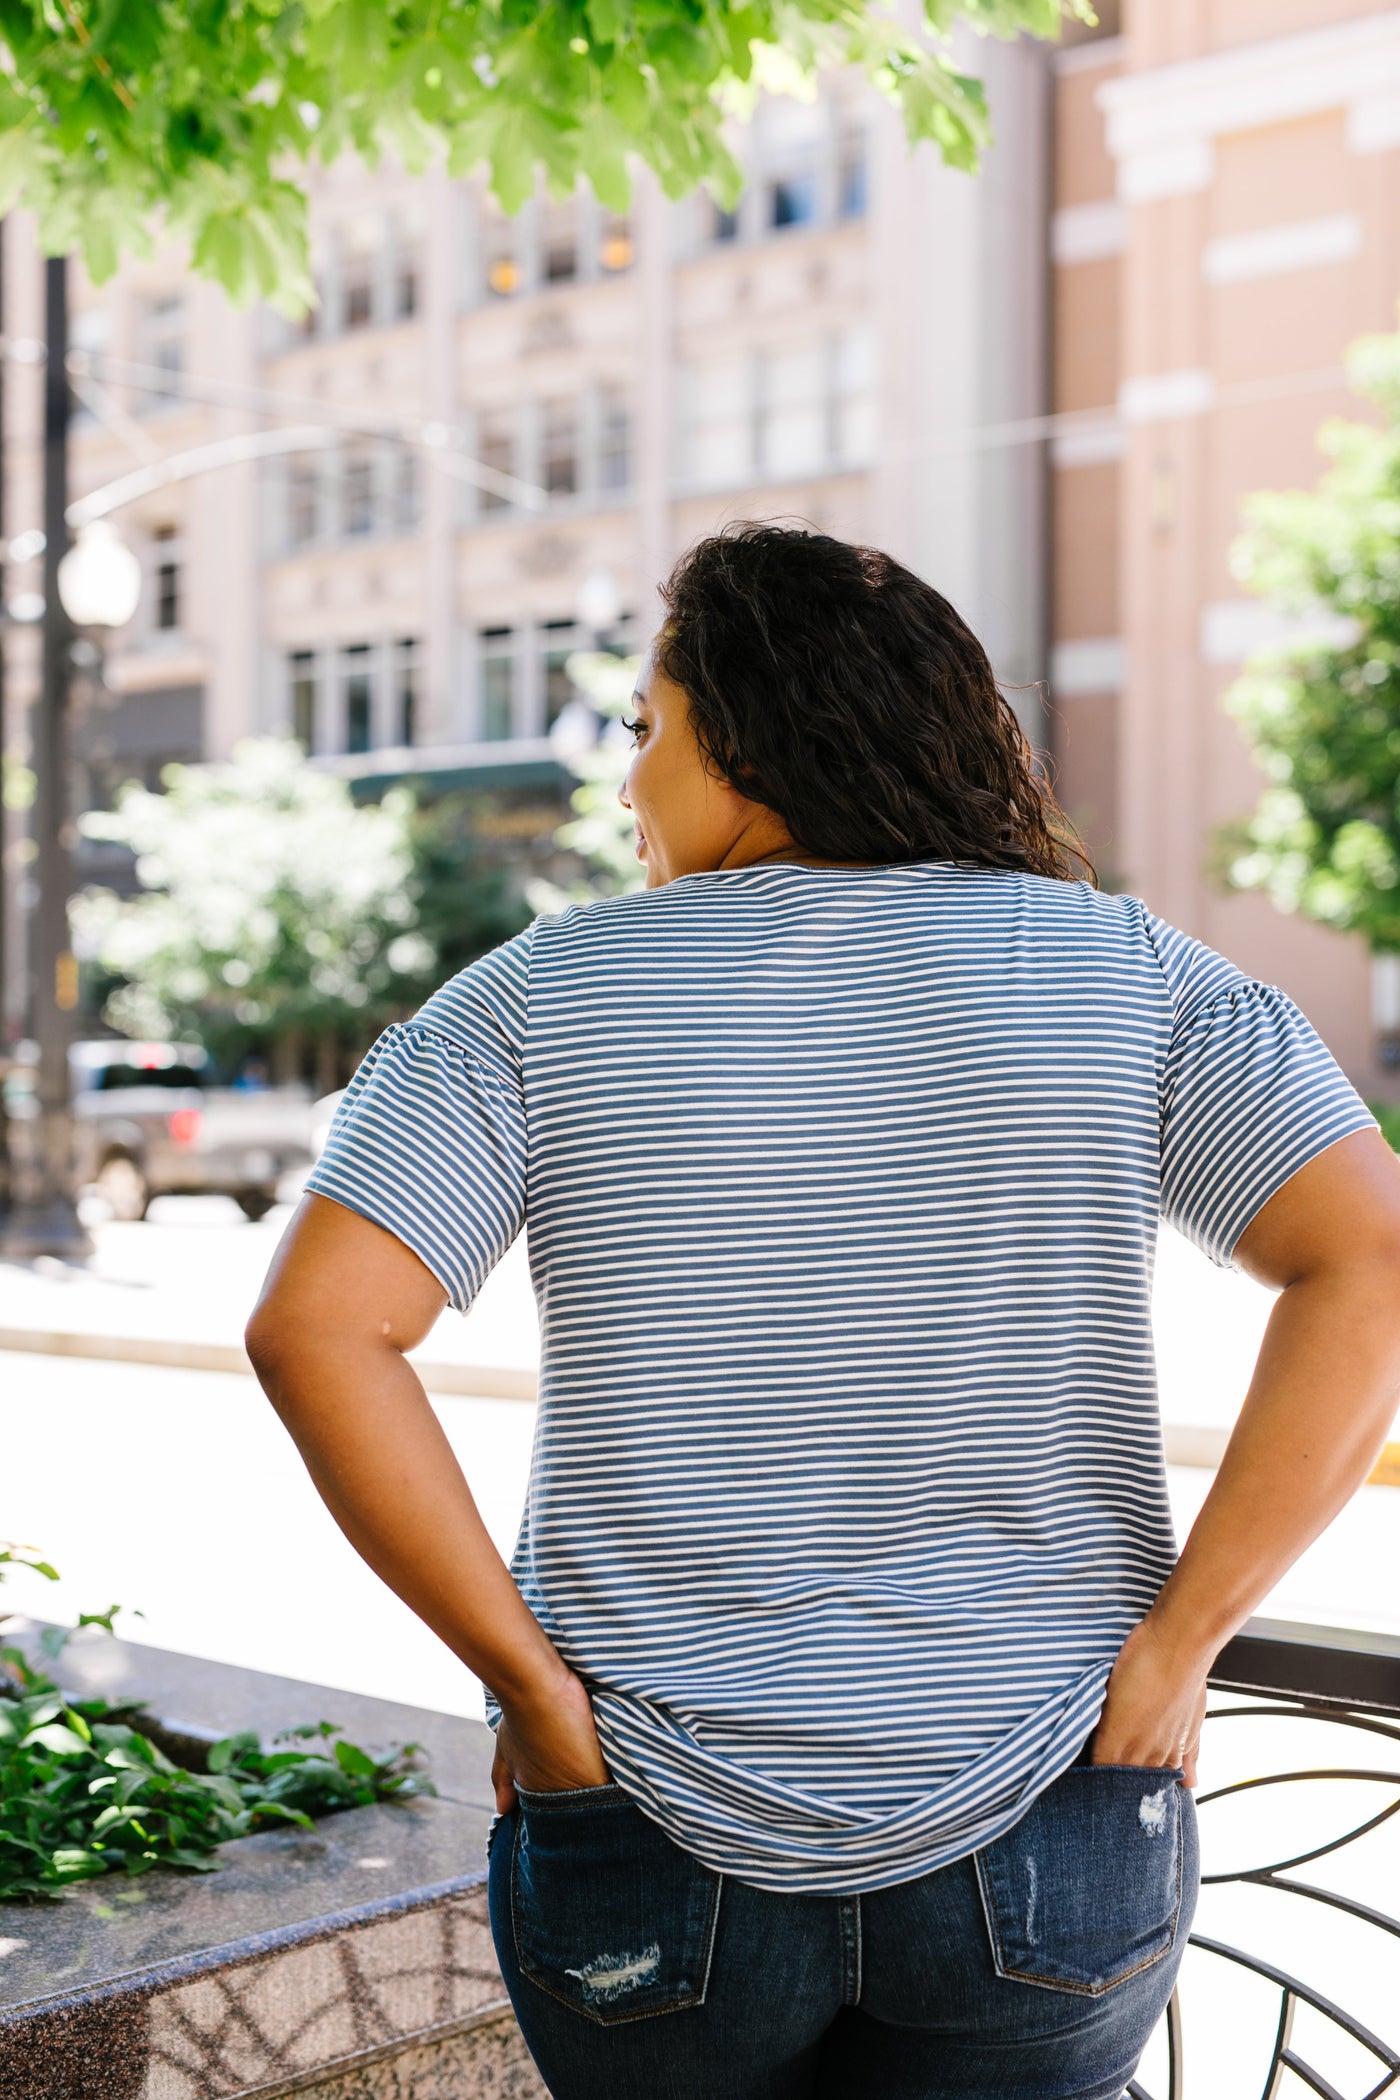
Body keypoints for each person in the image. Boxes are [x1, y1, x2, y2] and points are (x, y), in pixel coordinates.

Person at [246, 524, 1400, 2100]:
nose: (629, 782)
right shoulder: (1132, 975)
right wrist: (1183, 1642)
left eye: (648, 730)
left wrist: (528, 1684)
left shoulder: (534, 995)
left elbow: (316, 1329)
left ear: (741, 732)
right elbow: (1372, 1262)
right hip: (1052, 1793)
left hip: (648, 1811)